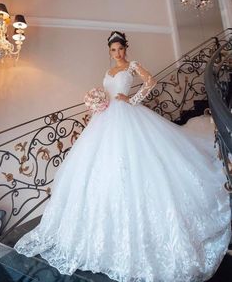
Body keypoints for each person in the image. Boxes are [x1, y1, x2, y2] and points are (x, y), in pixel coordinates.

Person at [14, 31, 231, 282]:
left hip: (128, 116)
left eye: (120, 49)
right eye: (113, 50)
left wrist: (133, 99)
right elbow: (107, 93)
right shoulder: (108, 73)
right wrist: (98, 103)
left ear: (126, 49)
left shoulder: (132, 66)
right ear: (110, 52)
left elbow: (151, 82)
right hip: (104, 121)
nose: (118, 53)